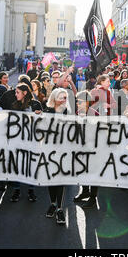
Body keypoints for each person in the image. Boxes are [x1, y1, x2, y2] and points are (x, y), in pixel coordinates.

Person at [9, 83, 43, 203]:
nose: (15, 94)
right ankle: (17, 190)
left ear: (25, 93)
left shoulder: (36, 104)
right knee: (18, 165)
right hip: (18, 140)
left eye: (17, 92)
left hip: (33, 140)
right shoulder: (14, 105)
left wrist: (40, 116)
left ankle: (31, 190)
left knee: (31, 165)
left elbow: (42, 123)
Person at [44, 88, 71, 225]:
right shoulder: (47, 111)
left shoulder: (68, 112)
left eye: (65, 98)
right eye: (61, 97)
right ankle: (52, 204)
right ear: (54, 98)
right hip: (49, 150)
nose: (64, 100)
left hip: (64, 151)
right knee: (51, 179)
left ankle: (60, 209)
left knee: (60, 179)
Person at [73, 90, 99, 208]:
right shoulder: (77, 113)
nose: (78, 104)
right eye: (77, 101)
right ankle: (85, 191)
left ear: (88, 102)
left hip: (92, 149)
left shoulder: (94, 113)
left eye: (81, 102)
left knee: (92, 174)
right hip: (80, 148)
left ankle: (93, 198)